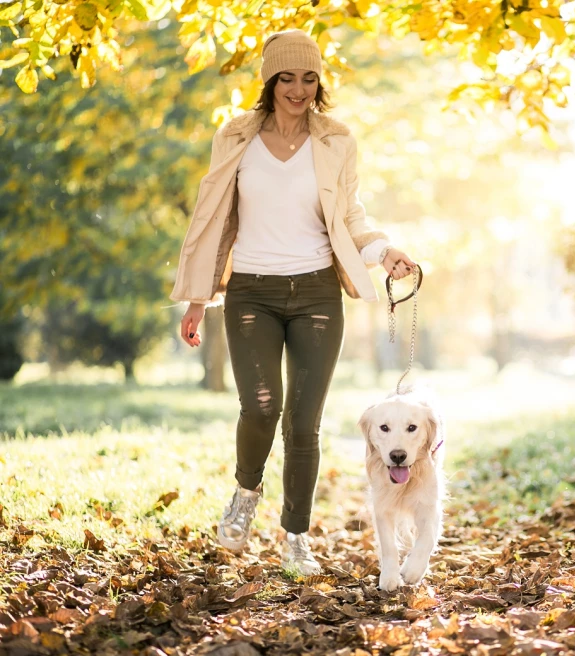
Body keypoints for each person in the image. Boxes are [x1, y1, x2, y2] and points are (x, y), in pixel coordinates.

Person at [169, 29, 416, 575]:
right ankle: (245, 493)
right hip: (251, 291)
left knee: (304, 424)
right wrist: (197, 299)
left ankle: (296, 536)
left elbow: (350, 217)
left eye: (308, 78)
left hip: (316, 293)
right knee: (261, 408)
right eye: (287, 78)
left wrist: (384, 252)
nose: (299, 90)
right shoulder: (236, 136)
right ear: (269, 80)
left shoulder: (336, 141)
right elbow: (214, 218)